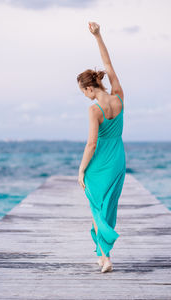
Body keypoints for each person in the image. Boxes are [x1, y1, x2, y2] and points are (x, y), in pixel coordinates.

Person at [77, 22, 126, 273]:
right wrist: (98, 36)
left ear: (88, 88)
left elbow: (91, 143)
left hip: (99, 164)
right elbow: (108, 65)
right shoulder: (118, 95)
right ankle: (102, 253)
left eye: (82, 91)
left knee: (97, 208)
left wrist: (81, 170)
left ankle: (106, 257)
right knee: (109, 207)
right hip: (118, 160)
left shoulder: (94, 110)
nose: (84, 95)